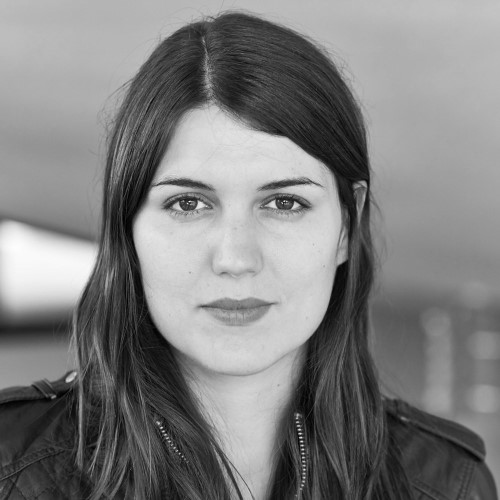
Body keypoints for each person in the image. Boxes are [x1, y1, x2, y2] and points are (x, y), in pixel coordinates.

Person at [0, 11, 497, 500]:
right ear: (127, 228)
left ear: (348, 224)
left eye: (285, 203)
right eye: (188, 204)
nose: (236, 258)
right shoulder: (12, 471)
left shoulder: (444, 484)